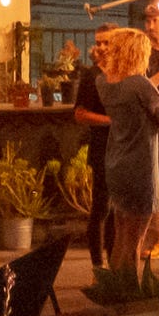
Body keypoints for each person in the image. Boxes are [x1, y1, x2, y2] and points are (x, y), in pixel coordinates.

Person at [94, 25, 159, 272]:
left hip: (116, 163)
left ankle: (114, 287)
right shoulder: (140, 84)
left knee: (121, 234)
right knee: (136, 239)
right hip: (140, 166)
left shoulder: (103, 83)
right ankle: (129, 293)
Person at [69, 27, 116, 269]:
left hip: (123, 147)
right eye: (99, 43)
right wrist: (110, 121)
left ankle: (116, 262)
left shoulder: (124, 73)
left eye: (107, 43)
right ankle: (98, 265)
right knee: (101, 206)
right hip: (101, 146)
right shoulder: (91, 75)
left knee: (118, 210)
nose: (102, 48)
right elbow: (80, 114)